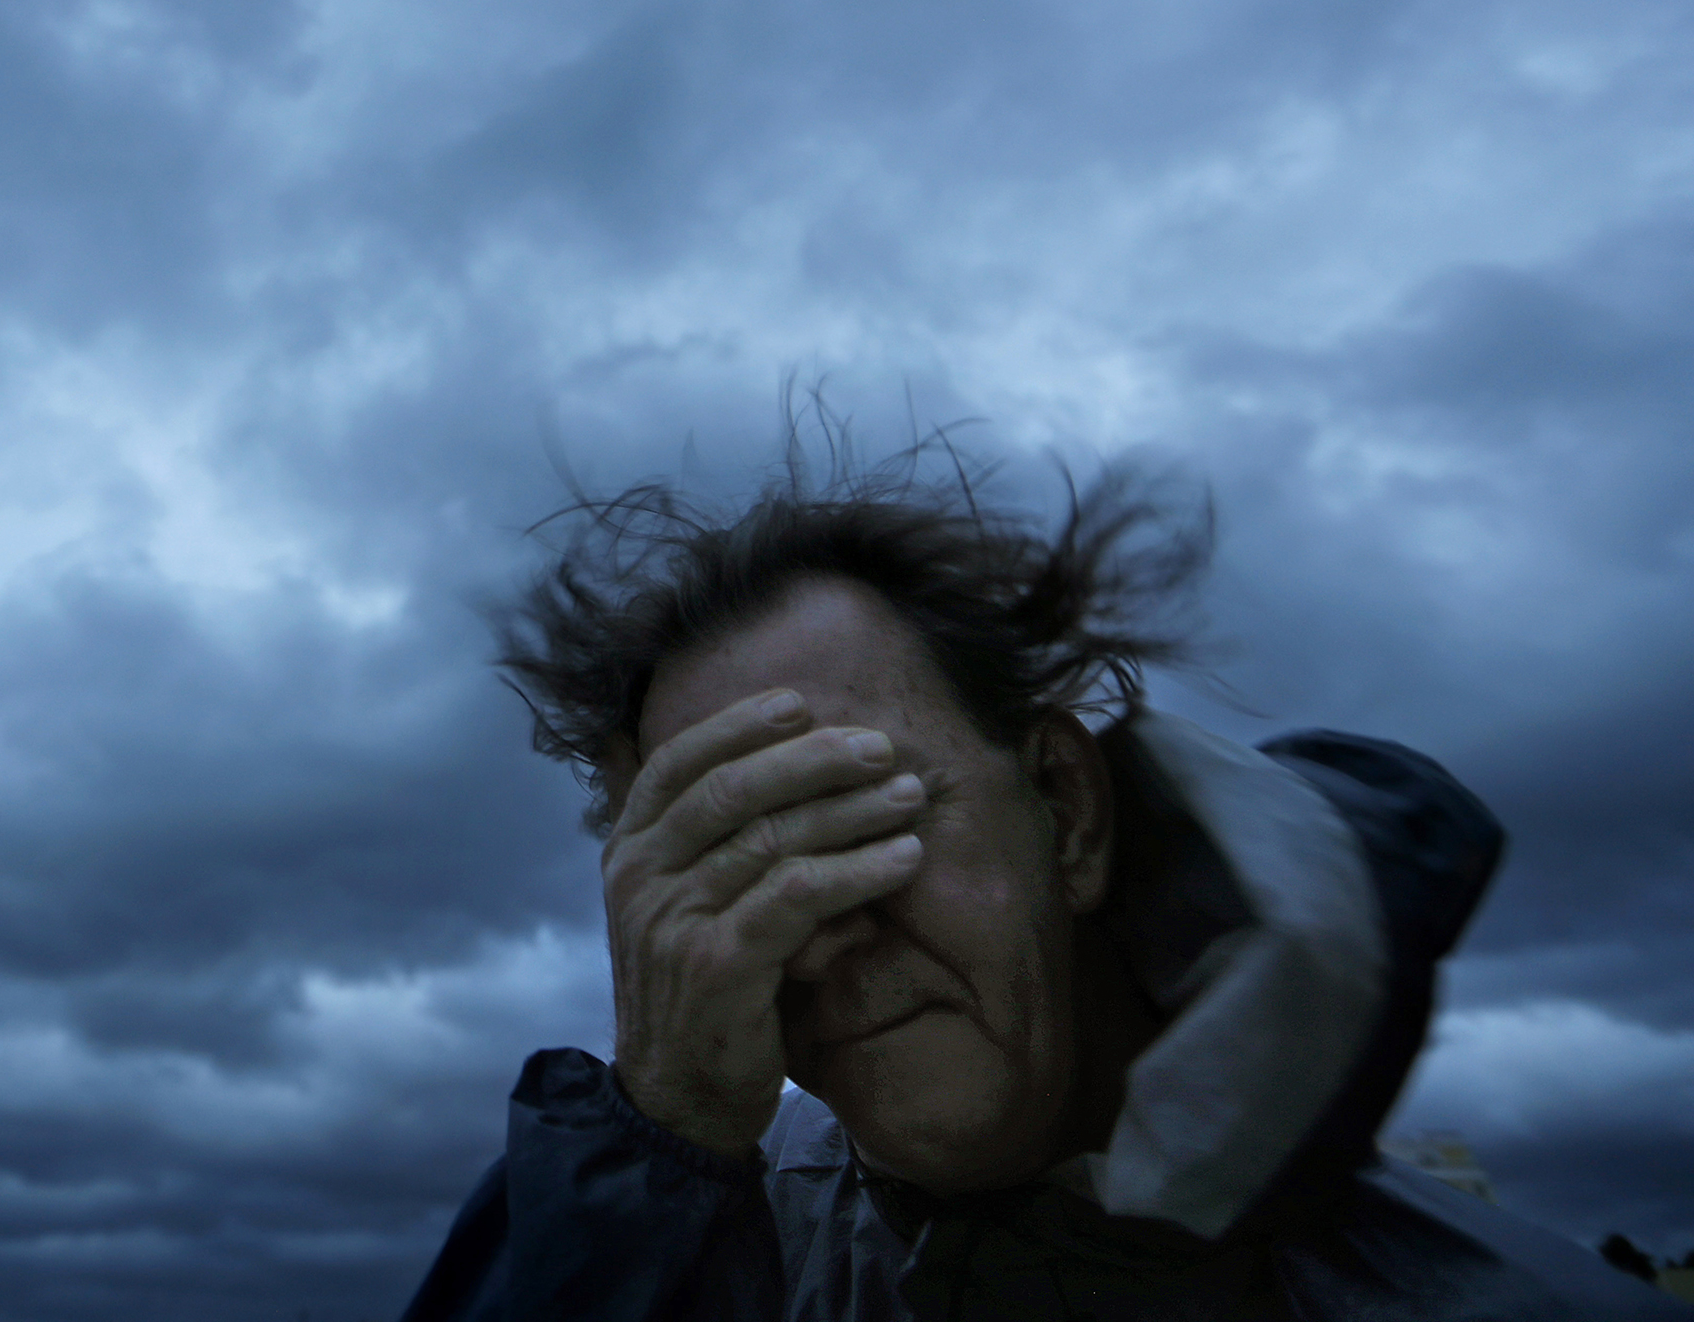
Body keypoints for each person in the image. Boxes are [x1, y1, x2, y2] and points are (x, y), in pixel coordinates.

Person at [402, 459, 1689, 1320]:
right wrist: (659, 1140)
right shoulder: (731, 1256)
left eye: (856, 814)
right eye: (725, 867)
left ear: (1065, 812)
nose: (814, 936)